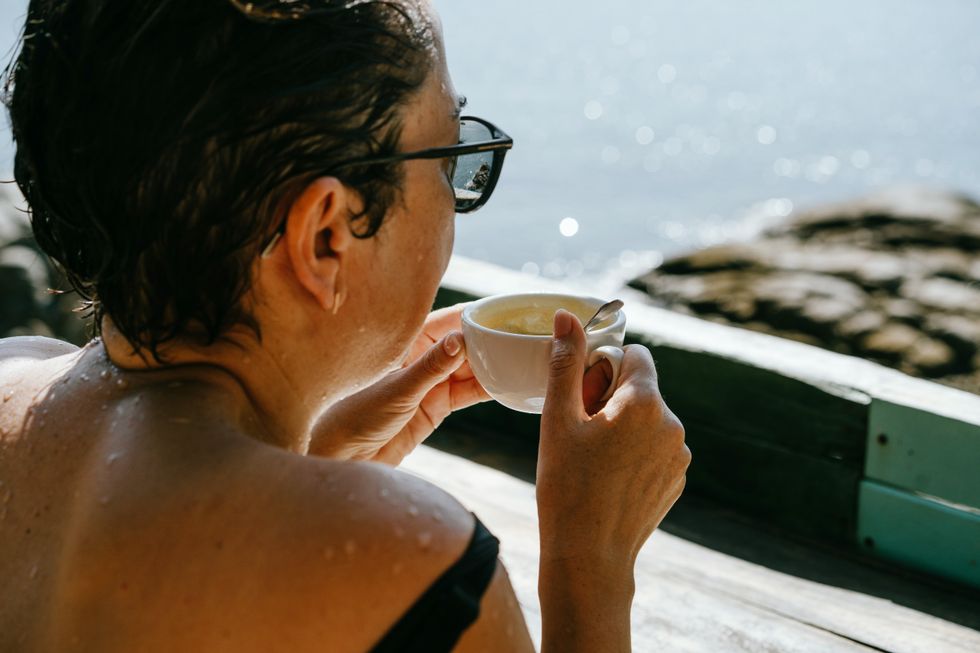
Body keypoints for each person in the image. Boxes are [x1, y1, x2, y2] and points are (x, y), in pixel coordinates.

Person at [0, 1, 690, 651]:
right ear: (326, 236)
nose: (457, 187)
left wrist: (309, 467)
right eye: (449, 157)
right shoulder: (406, 563)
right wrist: (589, 564)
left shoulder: (11, 374)